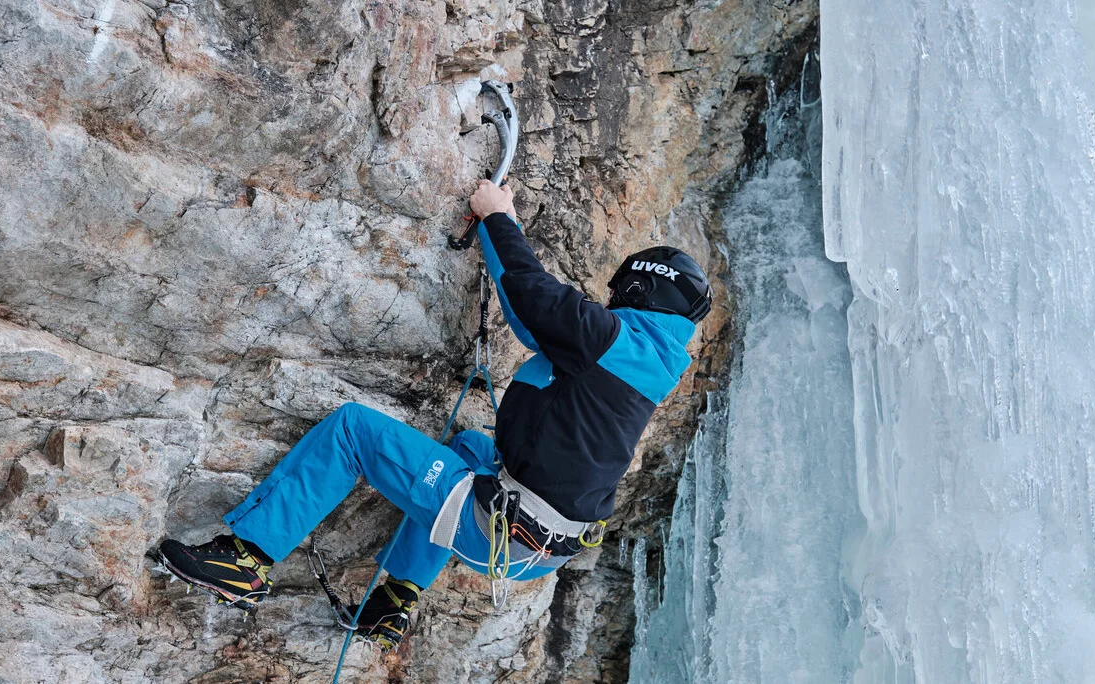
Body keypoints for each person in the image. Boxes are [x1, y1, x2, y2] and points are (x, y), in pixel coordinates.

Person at [156, 179, 713, 649]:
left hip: (496, 528)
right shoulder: (648, 361)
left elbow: (534, 297)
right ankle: (392, 600)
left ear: (638, 288)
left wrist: (499, 216)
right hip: (537, 548)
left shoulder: (612, 340)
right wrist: (494, 239)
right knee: (472, 448)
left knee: (352, 430)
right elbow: (533, 325)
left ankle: (244, 559)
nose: (607, 300)